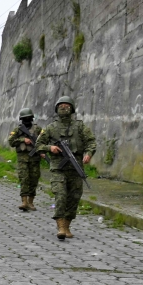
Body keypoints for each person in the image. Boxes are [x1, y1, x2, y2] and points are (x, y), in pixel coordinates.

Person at [36, 96, 96, 240]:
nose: (64, 107)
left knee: (74, 198)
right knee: (61, 195)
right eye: (61, 105)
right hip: (58, 168)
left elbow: (91, 142)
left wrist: (88, 154)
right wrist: (51, 148)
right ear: (57, 108)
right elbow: (38, 146)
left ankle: (67, 224)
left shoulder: (80, 126)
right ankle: (61, 226)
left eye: (67, 105)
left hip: (75, 168)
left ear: (72, 108)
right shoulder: (51, 128)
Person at [7, 108, 43, 212]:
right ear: (21, 119)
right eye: (24, 118)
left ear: (32, 118)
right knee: (24, 179)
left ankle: (31, 202)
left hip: (35, 159)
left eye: (28, 118)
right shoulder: (18, 130)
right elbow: (11, 141)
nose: (27, 120)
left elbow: (45, 140)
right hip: (22, 159)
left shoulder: (38, 129)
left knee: (34, 179)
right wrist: (23, 140)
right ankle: (24, 202)